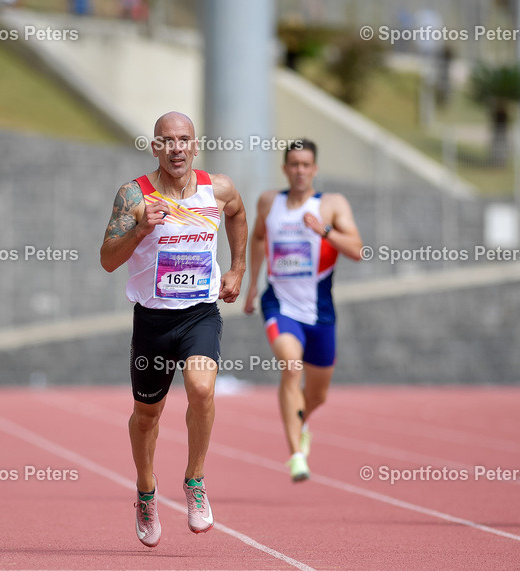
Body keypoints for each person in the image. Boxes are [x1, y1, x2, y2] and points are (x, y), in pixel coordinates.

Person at [100, 111, 247, 547]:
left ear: (195, 146)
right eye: (167, 141)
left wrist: (238, 268)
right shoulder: (134, 195)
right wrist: (143, 227)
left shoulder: (217, 188)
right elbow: (108, 259)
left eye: (184, 140)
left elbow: (237, 214)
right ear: (155, 147)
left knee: (202, 389)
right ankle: (146, 492)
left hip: (199, 313)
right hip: (152, 318)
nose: (176, 148)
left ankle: (195, 481)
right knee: (148, 416)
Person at [243, 140, 363, 482]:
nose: (299, 170)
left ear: (315, 169)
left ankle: (301, 421)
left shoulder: (331, 204)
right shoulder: (269, 201)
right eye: (293, 164)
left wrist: (324, 231)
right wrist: (253, 283)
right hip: (280, 305)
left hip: (320, 312)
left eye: (306, 164)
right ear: (284, 168)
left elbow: (357, 249)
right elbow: (257, 238)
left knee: (319, 393)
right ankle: (296, 454)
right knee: (291, 367)